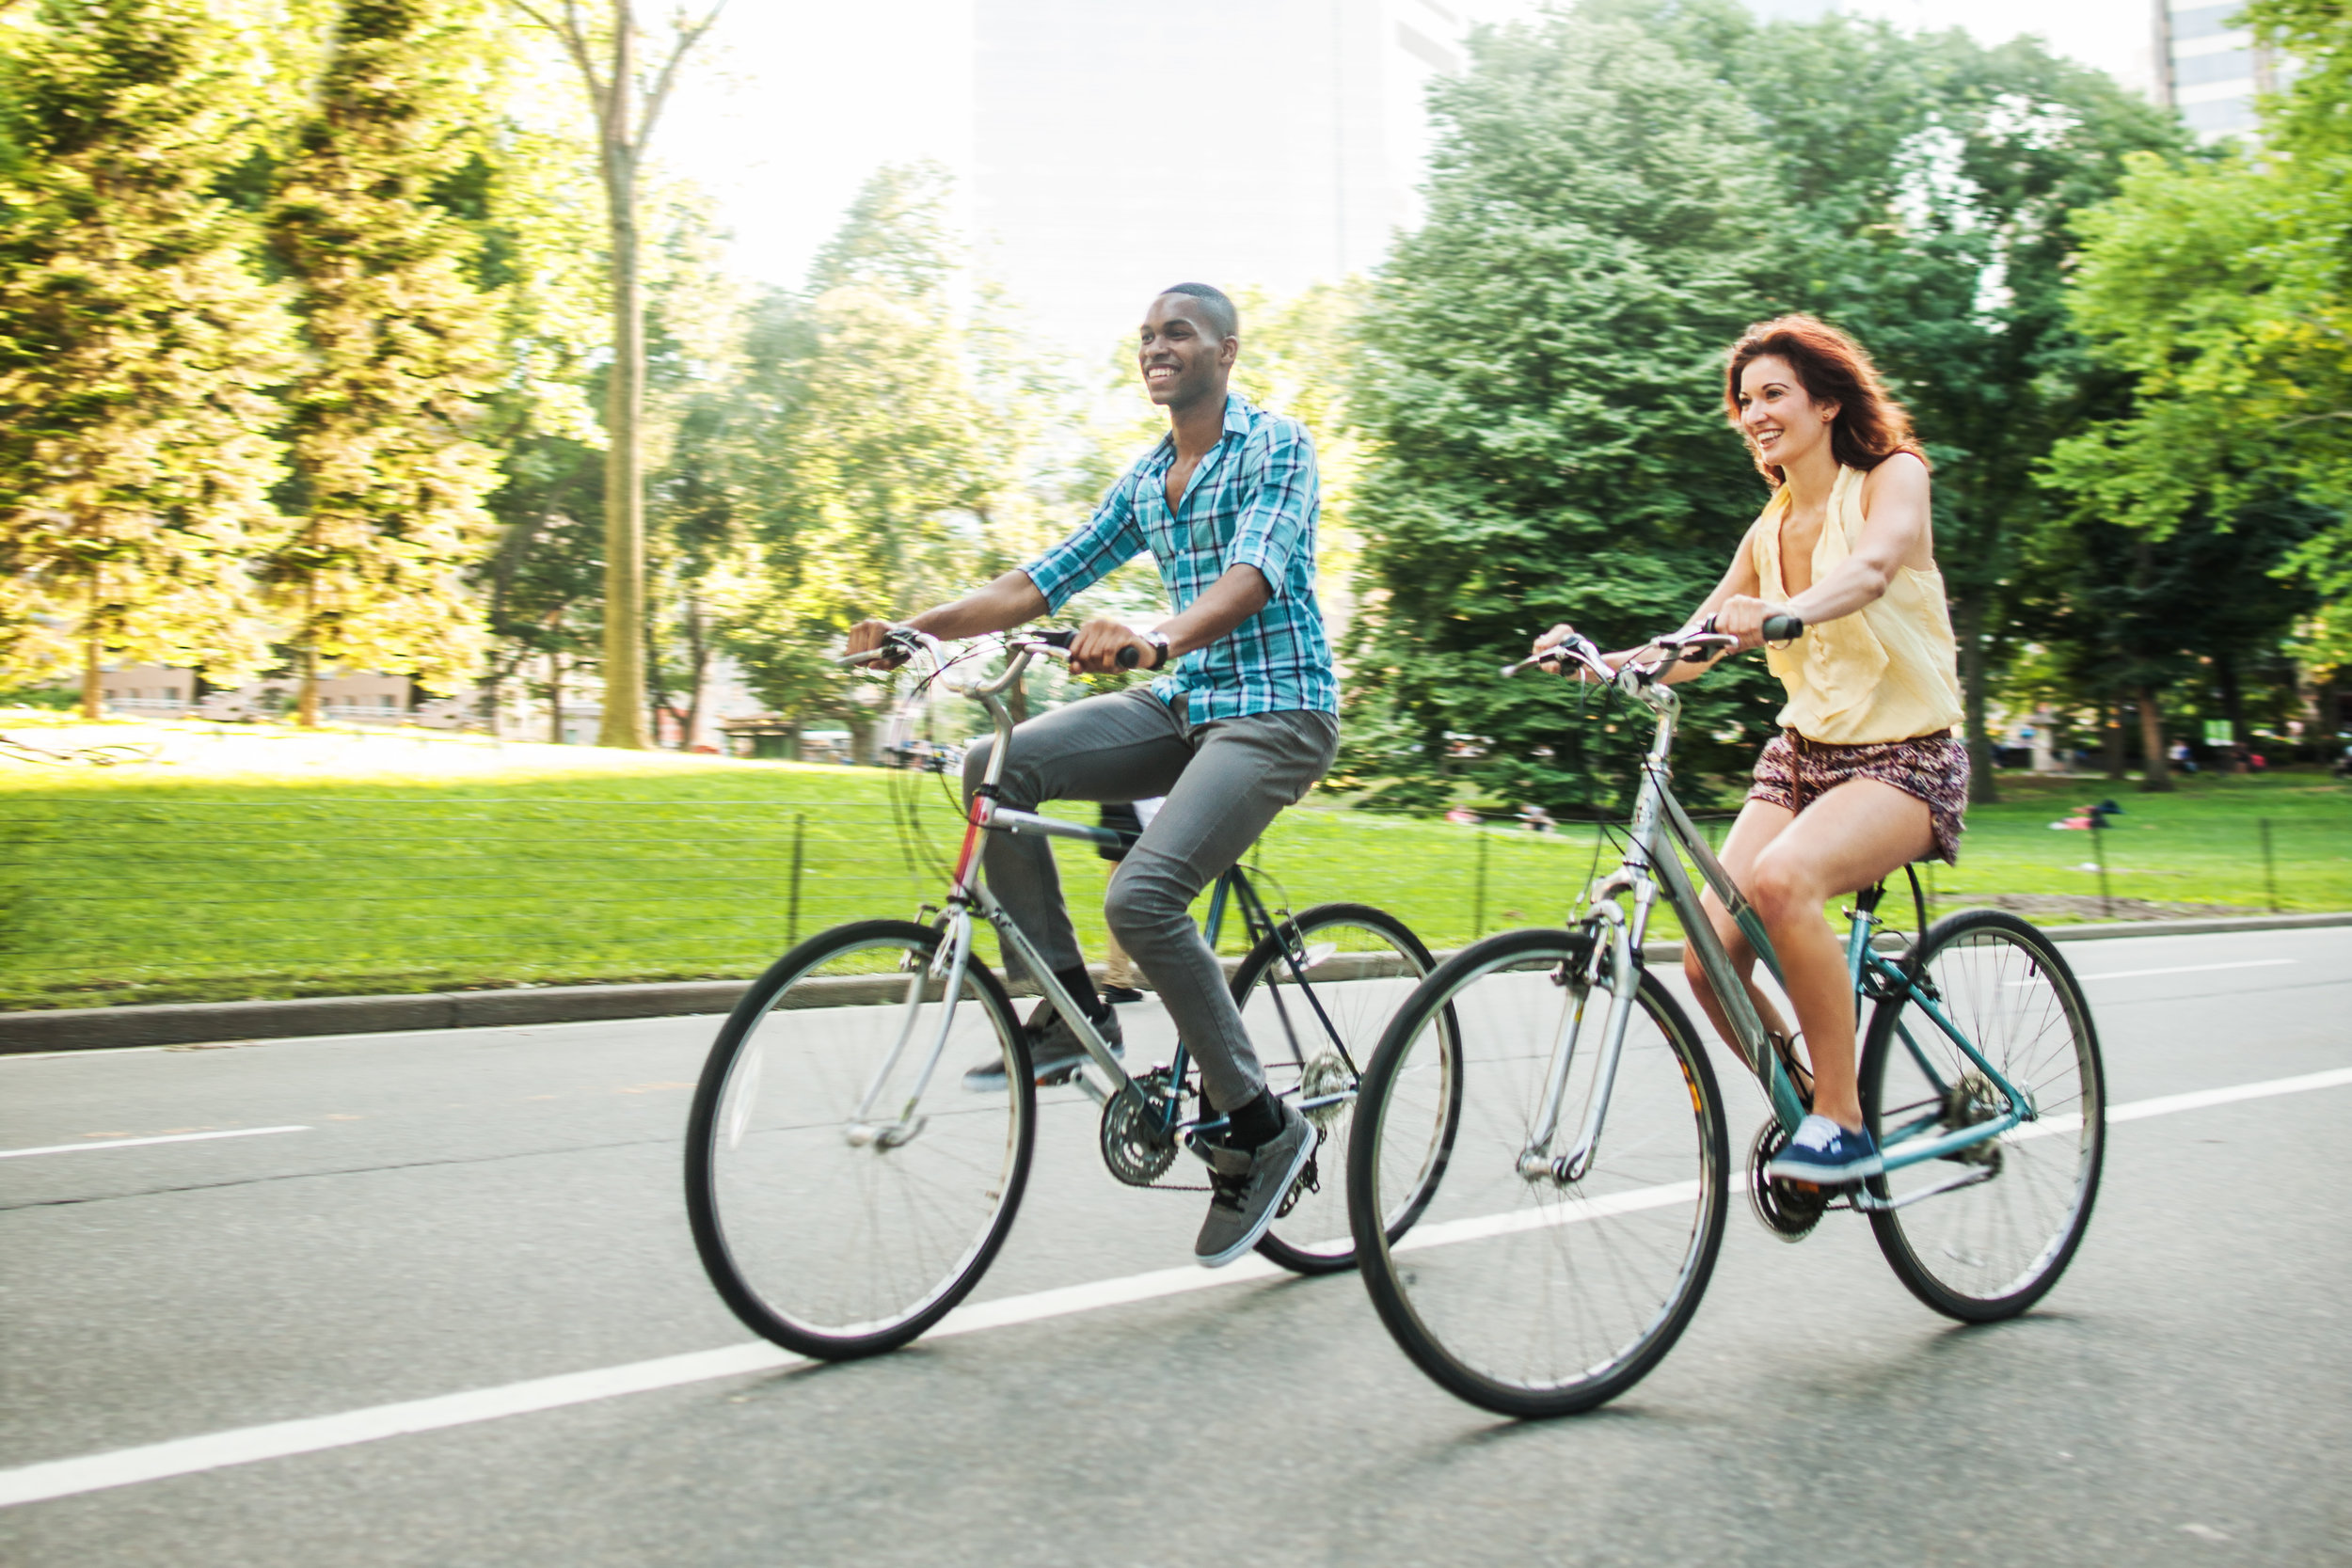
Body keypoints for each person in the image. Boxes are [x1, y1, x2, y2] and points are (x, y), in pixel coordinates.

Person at [845, 283, 1340, 1267]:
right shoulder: (1148, 474)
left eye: (1178, 333)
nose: (1158, 347)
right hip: (1183, 702)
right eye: (1148, 335)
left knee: (1144, 895)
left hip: (1276, 708)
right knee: (997, 767)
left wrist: (1154, 637)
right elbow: (1036, 581)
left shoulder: (1274, 446)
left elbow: (1253, 573)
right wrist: (915, 628)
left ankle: (1259, 1125)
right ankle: (1064, 1007)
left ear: (1224, 351)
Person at [1534, 314, 1967, 1183]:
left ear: (1826, 401)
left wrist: (1786, 612)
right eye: (1745, 401)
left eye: (1775, 393)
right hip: (1804, 758)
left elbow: (1875, 568)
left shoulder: (1893, 477)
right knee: (1707, 957)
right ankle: (1808, 1099)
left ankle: (1845, 1123)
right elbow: (1692, 643)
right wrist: (1599, 662)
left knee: (1781, 882)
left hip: (1907, 759)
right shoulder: (1768, 528)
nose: (1756, 412)